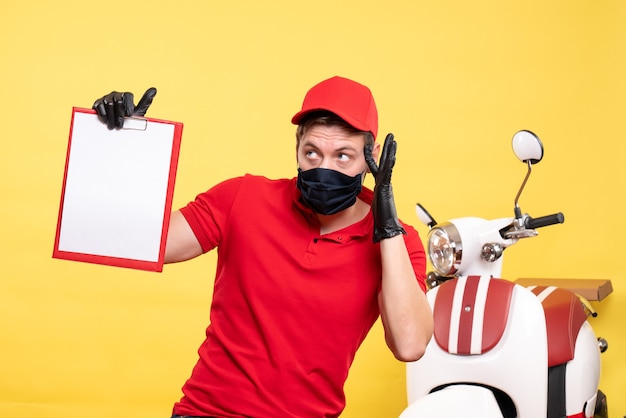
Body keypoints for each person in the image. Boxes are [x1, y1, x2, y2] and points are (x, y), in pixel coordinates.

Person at [92, 76, 433, 418]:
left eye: (343, 156)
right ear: (297, 147)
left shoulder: (398, 245)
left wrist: (386, 223)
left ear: (373, 157)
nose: (324, 168)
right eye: (312, 153)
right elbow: (134, 241)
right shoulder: (244, 198)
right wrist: (123, 148)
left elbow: (410, 343)